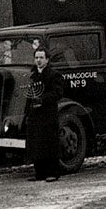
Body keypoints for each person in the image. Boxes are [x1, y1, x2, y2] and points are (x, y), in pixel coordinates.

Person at [26, 47, 64, 182]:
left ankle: (53, 172)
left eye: (41, 58)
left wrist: (42, 99)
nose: (38, 60)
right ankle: (39, 173)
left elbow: (58, 93)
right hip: (35, 114)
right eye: (36, 58)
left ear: (47, 59)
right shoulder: (32, 75)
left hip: (48, 114)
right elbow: (29, 94)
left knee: (49, 143)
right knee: (37, 143)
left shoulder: (54, 75)